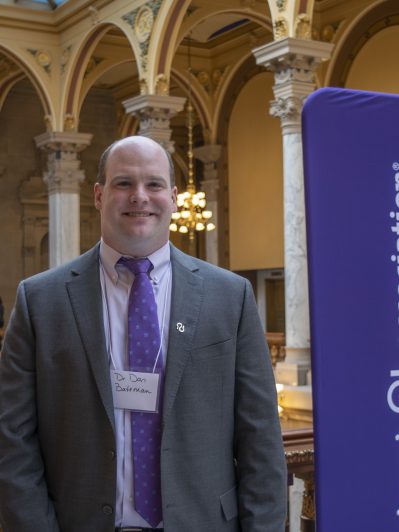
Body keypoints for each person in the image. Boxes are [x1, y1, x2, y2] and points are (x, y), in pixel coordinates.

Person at [0, 136, 287, 532]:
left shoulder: (230, 297)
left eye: (153, 184)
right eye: (123, 183)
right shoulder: (40, 301)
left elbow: (260, 437)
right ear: (99, 195)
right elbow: (11, 438)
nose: (140, 197)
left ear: (172, 196)